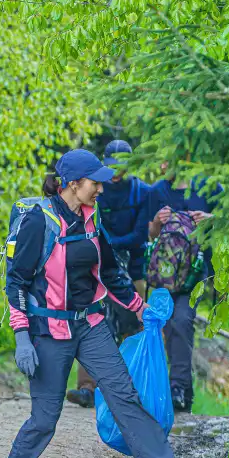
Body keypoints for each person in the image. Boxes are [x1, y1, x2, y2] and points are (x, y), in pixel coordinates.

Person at [0, 149, 204, 458]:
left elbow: (109, 271)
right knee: (45, 419)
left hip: (89, 325)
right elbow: (17, 282)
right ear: (73, 184)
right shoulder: (39, 222)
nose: (101, 189)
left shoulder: (91, 217)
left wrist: (140, 308)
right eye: (95, 183)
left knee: (124, 394)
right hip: (48, 330)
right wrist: (22, 337)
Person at [65, 139, 151, 409]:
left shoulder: (141, 192)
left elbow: (140, 234)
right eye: (112, 167)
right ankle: (87, 388)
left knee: (132, 326)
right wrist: (100, 248)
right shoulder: (95, 191)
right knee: (92, 320)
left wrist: (109, 245)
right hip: (97, 266)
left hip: (133, 268)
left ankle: (132, 387)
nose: (116, 172)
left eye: (122, 166)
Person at [147, 167, 222, 412]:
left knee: (181, 319)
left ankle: (177, 387)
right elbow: (150, 235)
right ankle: (182, 393)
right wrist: (157, 222)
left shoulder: (208, 188)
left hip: (194, 274)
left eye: (168, 161)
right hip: (165, 275)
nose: (163, 166)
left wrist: (211, 219)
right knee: (170, 324)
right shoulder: (157, 191)